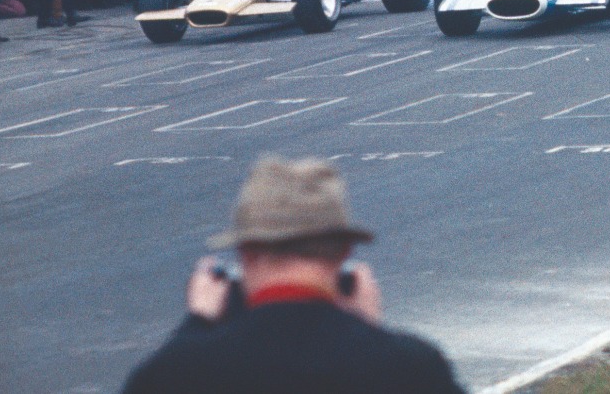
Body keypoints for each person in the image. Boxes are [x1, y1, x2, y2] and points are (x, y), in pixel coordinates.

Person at [121, 155, 466, 394]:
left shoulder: (182, 371)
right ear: (344, 252)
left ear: (246, 253)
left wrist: (196, 324)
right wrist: (367, 331)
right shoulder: (411, 366)